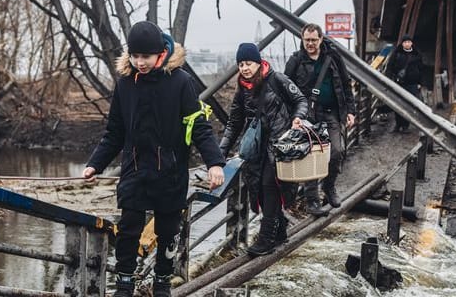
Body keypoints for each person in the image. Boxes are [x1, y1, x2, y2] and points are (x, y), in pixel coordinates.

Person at [82, 21, 225, 297]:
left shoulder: (181, 82)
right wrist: (94, 164)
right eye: (134, 57)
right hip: (135, 169)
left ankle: (162, 283)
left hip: (170, 171)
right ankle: (124, 285)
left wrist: (215, 163)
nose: (139, 62)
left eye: (145, 57)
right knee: (128, 229)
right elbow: (114, 132)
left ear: (160, 53)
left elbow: (200, 127)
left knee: (168, 231)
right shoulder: (125, 84)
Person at [219, 43, 308, 256]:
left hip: (279, 144)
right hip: (257, 149)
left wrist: (298, 118)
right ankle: (280, 231)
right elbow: (234, 123)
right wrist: (220, 152)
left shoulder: (277, 80)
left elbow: (301, 100)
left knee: (271, 186)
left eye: (248, 63)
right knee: (258, 188)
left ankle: (266, 238)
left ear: (258, 63)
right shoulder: (242, 90)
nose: (245, 68)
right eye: (241, 64)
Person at [284, 23, 355, 215]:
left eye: (314, 40)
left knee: (337, 151)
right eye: (307, 40)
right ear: (302, 39)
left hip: (332, 110)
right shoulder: (296, 60)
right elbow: (284, 89)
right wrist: (293, 116)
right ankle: (312, 201)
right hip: (308, 114)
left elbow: (346, 83)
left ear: (321, 39)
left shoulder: (333, 58)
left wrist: (350, 110)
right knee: (312, 156)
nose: (310, 44)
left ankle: (329, 186)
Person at [387, 34, 424, 133]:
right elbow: (390, 67)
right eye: (405, 42)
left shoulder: (417, 54)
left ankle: (405, 125)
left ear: (411, 43)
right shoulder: (397, 53)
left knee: (409, 105)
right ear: (402, 43)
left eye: (408, 42)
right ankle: (398, 124)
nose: (407, 44)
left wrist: (420, 82)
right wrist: (390, 79)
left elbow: (421, 69)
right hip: (399, 83)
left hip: (412, 83)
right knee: (398, 104)